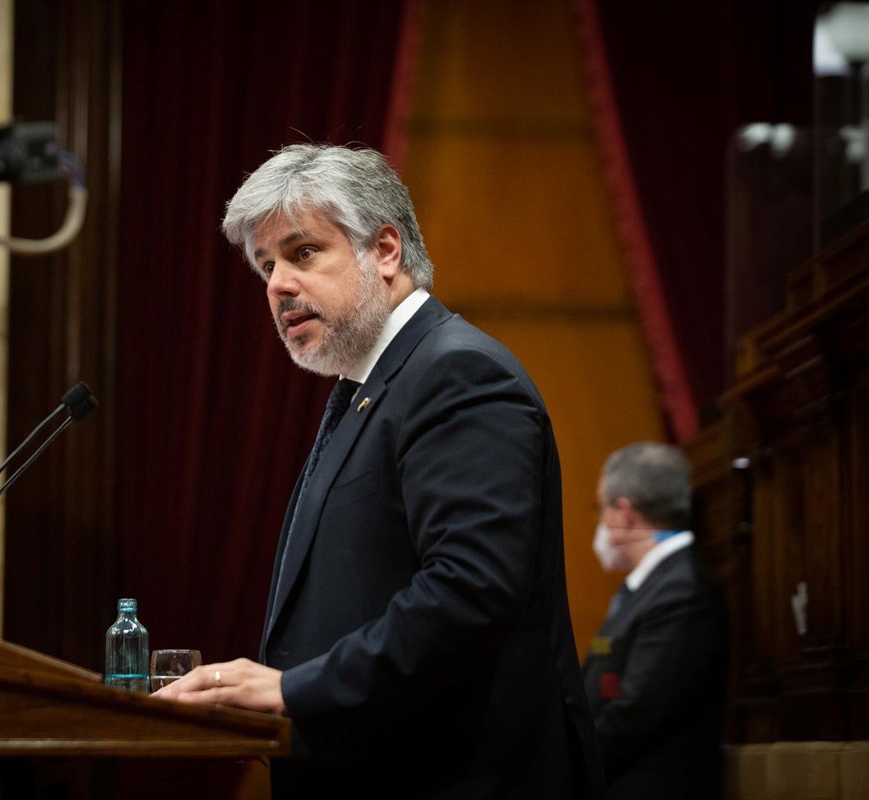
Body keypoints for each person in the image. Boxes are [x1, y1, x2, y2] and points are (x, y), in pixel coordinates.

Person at [156, 143, 602, 798]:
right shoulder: (370, 386)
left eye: (304, 252)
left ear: (385, 250)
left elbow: (469, 592)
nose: (277, 284)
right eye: (267, 265)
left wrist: (293, 689)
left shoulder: (455, 373)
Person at [582, 442, 728, 799]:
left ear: (624, 513)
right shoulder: (646, 586)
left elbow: (635, 714)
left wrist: (560, 765)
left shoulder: (681, 589)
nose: (601, 521)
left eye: (601, 508)